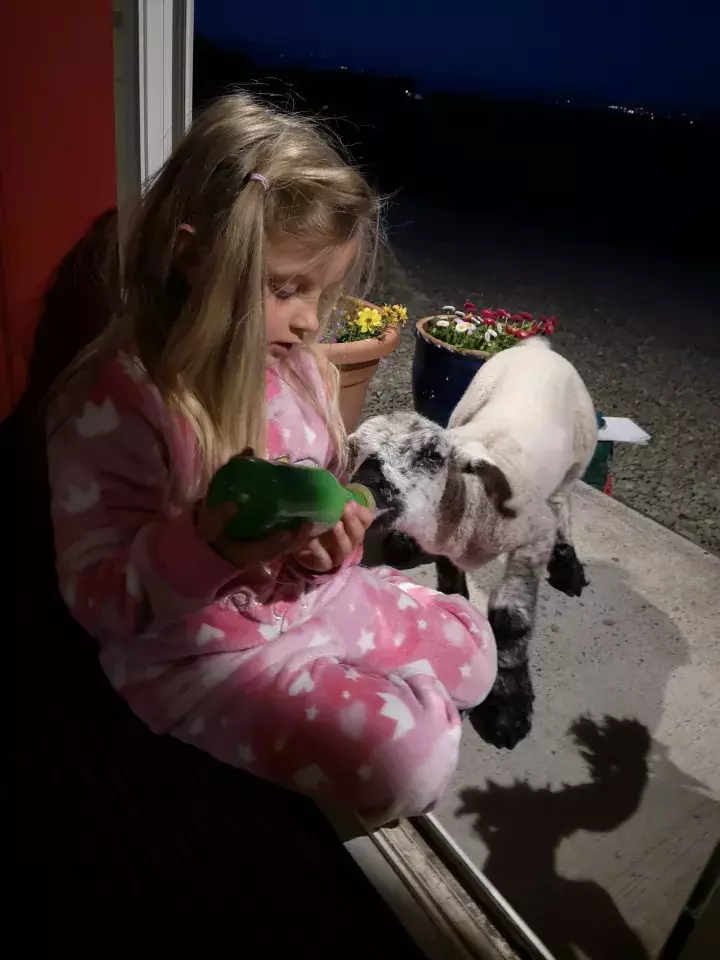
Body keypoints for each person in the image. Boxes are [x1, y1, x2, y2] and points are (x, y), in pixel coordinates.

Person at [46, 94, 496, 821]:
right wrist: (207, 542)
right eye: (287, 288)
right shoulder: (120, 404)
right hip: (204, 653)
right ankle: (368, 702)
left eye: (324, 291)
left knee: (477, 652)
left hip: (313, 602)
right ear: (195, 257)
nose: (313, 320)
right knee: (409, 767)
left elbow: (317, 498)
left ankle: (367, 678)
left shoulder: (299, 368)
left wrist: (332, 551)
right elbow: (102, 599)